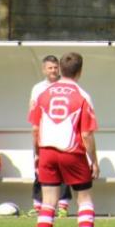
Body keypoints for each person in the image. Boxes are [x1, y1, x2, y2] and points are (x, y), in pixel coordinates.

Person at [28, 52, 101, 227]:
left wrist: (37, 154)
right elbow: (87, 134)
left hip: (47, 151)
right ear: (80, 71)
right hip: (72, 152)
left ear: (60, 68)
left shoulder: (44, 93)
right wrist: (93, 160)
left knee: (48, 201)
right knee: (84, 198)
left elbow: (35, 128)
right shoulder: (82, 95)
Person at [28, 55, 72, 217]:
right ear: (44, 69)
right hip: (43, 134)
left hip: (63, 135)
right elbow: (32, 110)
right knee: (40, 169)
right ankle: (38, 205)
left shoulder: (67, 85)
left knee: (64, 169)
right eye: (50, 68)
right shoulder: (38, 88)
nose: (53, 71)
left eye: (55, 67)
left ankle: (63, 206)